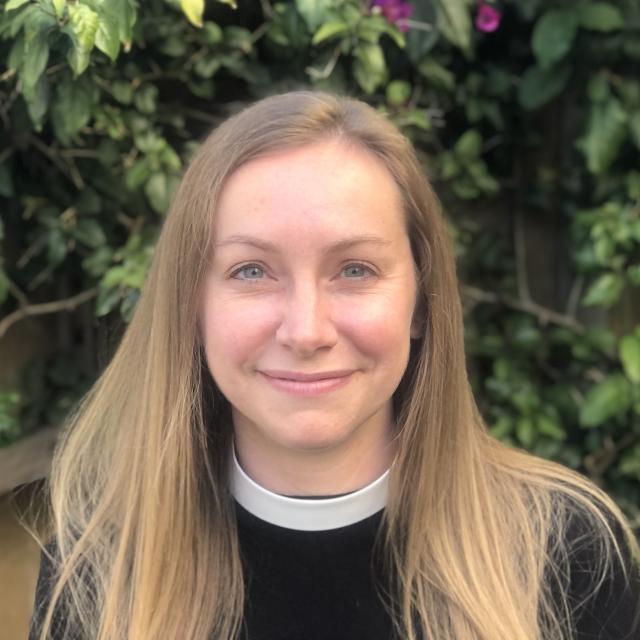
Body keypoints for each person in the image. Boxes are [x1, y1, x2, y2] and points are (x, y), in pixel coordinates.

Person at [28, 91, 640, 640]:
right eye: (251, 271)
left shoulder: (567, 549)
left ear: (422, 302)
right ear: (193, 307)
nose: (306, 331)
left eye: (355, 270)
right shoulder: (101, 570)